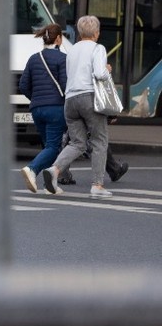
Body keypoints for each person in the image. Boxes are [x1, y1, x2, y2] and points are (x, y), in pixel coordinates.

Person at [43, 15, 115, 199]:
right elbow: (99, 74)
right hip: (89, 98)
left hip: (71, 100)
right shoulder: (98, 48)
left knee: (77, 143)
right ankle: (97, 185)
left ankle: (54, 170)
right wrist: (107, 70)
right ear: (97, 33)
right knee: (99, 141)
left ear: (80, 32)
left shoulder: (72, 50)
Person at [17, 23, 67, 193]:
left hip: (37, 109)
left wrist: (36, 98)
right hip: (56, 109)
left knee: (49, 146)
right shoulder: (62, 59)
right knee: (53, 146)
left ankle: (50, 185)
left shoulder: (33, 58)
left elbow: (23, 85)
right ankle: (32, 169)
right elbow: (65, 85)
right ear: (59, 38)